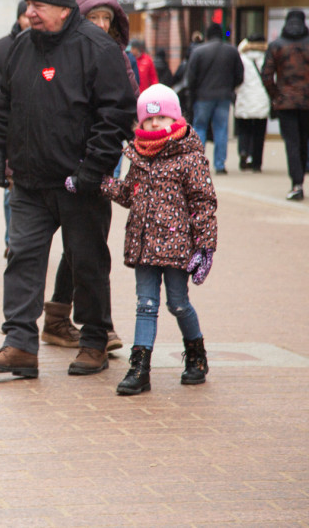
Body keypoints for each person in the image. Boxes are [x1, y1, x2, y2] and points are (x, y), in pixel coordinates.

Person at [0, 0, 136, 378]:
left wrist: (93, 170)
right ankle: (19, 345)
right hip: (29, 182)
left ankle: (95, 340)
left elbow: (115, 115)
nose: (31, 11)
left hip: (79, 184)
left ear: (65, 8)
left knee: (87, 263)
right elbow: (4, 107)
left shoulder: (98, 48)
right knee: (23, 259)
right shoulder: (22, 47)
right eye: (29, 3)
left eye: (40, 4)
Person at [35, 0, 137, 352]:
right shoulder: (67, 54)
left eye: (106, 17)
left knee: (84, 244)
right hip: (67, 163)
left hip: (102, 162)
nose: (100, 24)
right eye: (92, 16)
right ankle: (94, 326)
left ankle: (59, 317)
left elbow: (126, 106)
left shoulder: (116, 55)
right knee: (87, 246)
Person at [102, 84, 217, 395]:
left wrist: (205, 246)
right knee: (146, 305)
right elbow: (129, 194)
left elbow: (203, 202)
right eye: (148, 119)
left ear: (175, 119)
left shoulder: (190, 156)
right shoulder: (138, 155)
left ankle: (196, 355)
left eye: (162, 117)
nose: (154, 124)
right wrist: (100, 183)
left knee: (178, 304)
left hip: (177, 247)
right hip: (143, 246)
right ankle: (139, 368)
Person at [260, 10, 309, 200]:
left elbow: (266, 76)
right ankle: (300, 179)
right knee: (304, 140)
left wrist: (276, 96)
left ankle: (296, 183)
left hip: (285, 103)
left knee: (292, 143)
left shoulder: (276, 46)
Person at [0, 0, 30, 259]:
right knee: (10, 192)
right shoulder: (2, 48)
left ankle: (23, 240)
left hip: (34, 131)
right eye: (26, 15)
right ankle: (11, 240)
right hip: (11, 129)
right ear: (19, 18)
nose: (30, 18)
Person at [186, 23, 244, 175]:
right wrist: (229, 87)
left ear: (207, 35)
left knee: (200, 128)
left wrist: (192, 95)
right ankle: (220, 164)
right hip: (224, 96)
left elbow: (190, 78)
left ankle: (198, 163)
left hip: (202, 96)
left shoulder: (198, 52)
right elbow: (240, 75)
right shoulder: (232, 51)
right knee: (221, 129)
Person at [235, 34, 271, 172]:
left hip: (245, 97)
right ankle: (256, 163)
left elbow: (237, 79)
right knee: (259, 133)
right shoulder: (267, 59)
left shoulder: (242, 59)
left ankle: (243, 151)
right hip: (261, 99)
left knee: (244, 129)